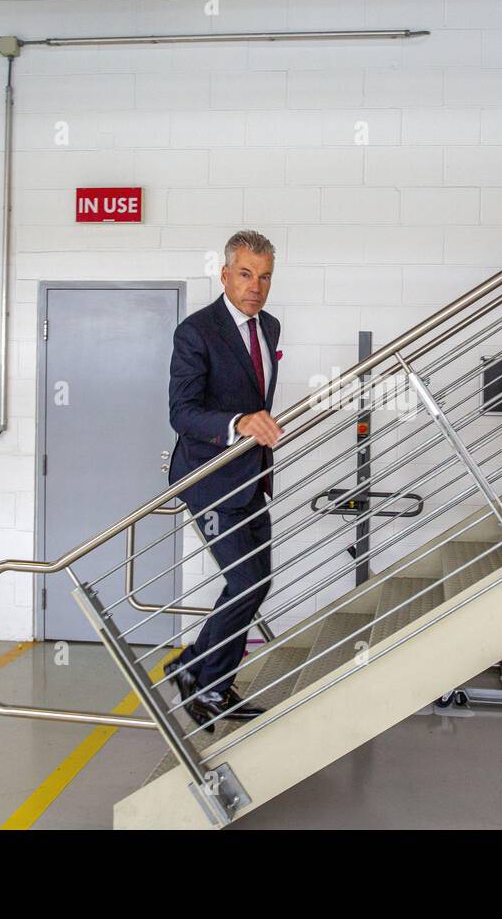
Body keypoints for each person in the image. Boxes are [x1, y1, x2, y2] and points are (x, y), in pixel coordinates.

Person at [164, 229, 284, 729]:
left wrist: (259, 428)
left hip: (250, 477)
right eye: (244, 274)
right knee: (244, 580)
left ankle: (196, 668)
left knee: (258, 580)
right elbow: (182, 412)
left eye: (264, 277)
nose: (255, 286)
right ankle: (206, 684)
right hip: (209, 478)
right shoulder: (196, 331)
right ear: (224, 274)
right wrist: (238, 423)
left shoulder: (270, 327)